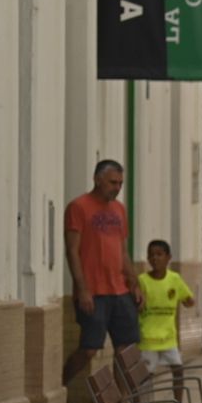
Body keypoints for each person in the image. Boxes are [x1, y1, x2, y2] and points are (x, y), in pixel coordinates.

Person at [62, 160, 143, 387]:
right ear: (97, 179)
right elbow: (72, 251)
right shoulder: (78, 207)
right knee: (89, 349)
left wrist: (134, 282)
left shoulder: (119, 210)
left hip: (119, 290)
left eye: (120, 183)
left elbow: (122, 251)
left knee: (126, 351)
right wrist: (82, 288)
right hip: (94, 293)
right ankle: (61, 385)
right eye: (112, 183)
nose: (117, 188)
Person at [138, 239, 197, 403]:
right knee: (147, 376)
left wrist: (189, 300)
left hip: (169, 337)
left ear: (168, 257)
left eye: (159, 254)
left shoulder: (174, 279)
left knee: (178, 369)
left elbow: (189, 299)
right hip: (148, 337)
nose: (155, 258)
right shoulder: (142, 280)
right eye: (151, 255)